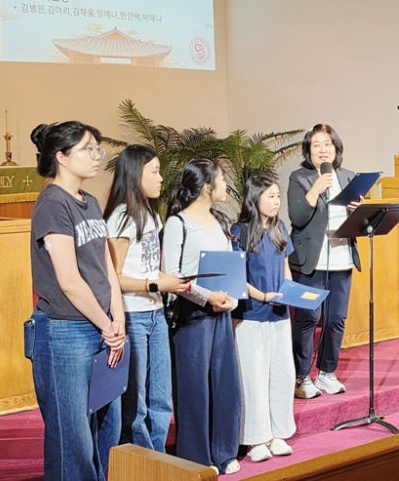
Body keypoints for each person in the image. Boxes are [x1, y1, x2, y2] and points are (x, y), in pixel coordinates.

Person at [25, 121, 126, 480]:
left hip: (101, 327)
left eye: (98, 148)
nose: (98, 156)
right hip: (65, 331)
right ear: (62, 157)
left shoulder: (91, 202)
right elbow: (68, 280)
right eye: (88, 149)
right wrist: (107, 324)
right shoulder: (52, 203)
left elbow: (106, 267)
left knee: (106, 427)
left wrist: (118, 321)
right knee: (73, 437)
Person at [103, 144, 189, 452]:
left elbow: (152, 266)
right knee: (135, 402)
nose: (161, 178)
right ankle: (142, 463)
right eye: (154, 172)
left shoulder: (151, 214)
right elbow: (112, 278)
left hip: (155, 314)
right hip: (132, 315)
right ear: (135, 174)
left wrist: (173, 282)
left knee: (161, 397)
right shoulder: (121, 217)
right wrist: (155, 284)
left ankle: (160, 457)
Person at [162, 158, 241, 475]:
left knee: (224, 384)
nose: (225, 185)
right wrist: (207, 297)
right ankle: (197, 457)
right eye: (221, 179)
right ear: (207, 186)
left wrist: (231, 298)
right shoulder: (177, 223)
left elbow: (230, 266)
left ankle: (224, 451)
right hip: (192, 315)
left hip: (221, 313)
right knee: (194, 389)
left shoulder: (220, 220)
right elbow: (173, 275)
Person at [287, 124, 363, 399]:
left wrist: (359, 210)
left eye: (327, 144)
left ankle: (327, 373)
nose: (322, 149)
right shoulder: (300, 177)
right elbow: (297, 218)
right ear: (308, 151)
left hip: (341, 258)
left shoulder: (348, 176)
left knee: (336, 319)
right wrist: (315, 190)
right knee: (308, 318)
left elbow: (358, 222)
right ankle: (301, 376)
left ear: (336, 148)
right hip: (312, 261)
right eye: (316, 144)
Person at [231, 175, 296, 463]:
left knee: (282, 374)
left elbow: (286, 268)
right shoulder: (240, 231)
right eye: (270, 196)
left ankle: (277, 433)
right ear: (254, 198)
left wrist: (289, 293)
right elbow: (238, 277)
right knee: (253, 377)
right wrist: (264, 296)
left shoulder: (280, 228)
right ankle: (255, 438)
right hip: (251, 315)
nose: (276, 201)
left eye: (278, 196)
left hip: (279, 314)